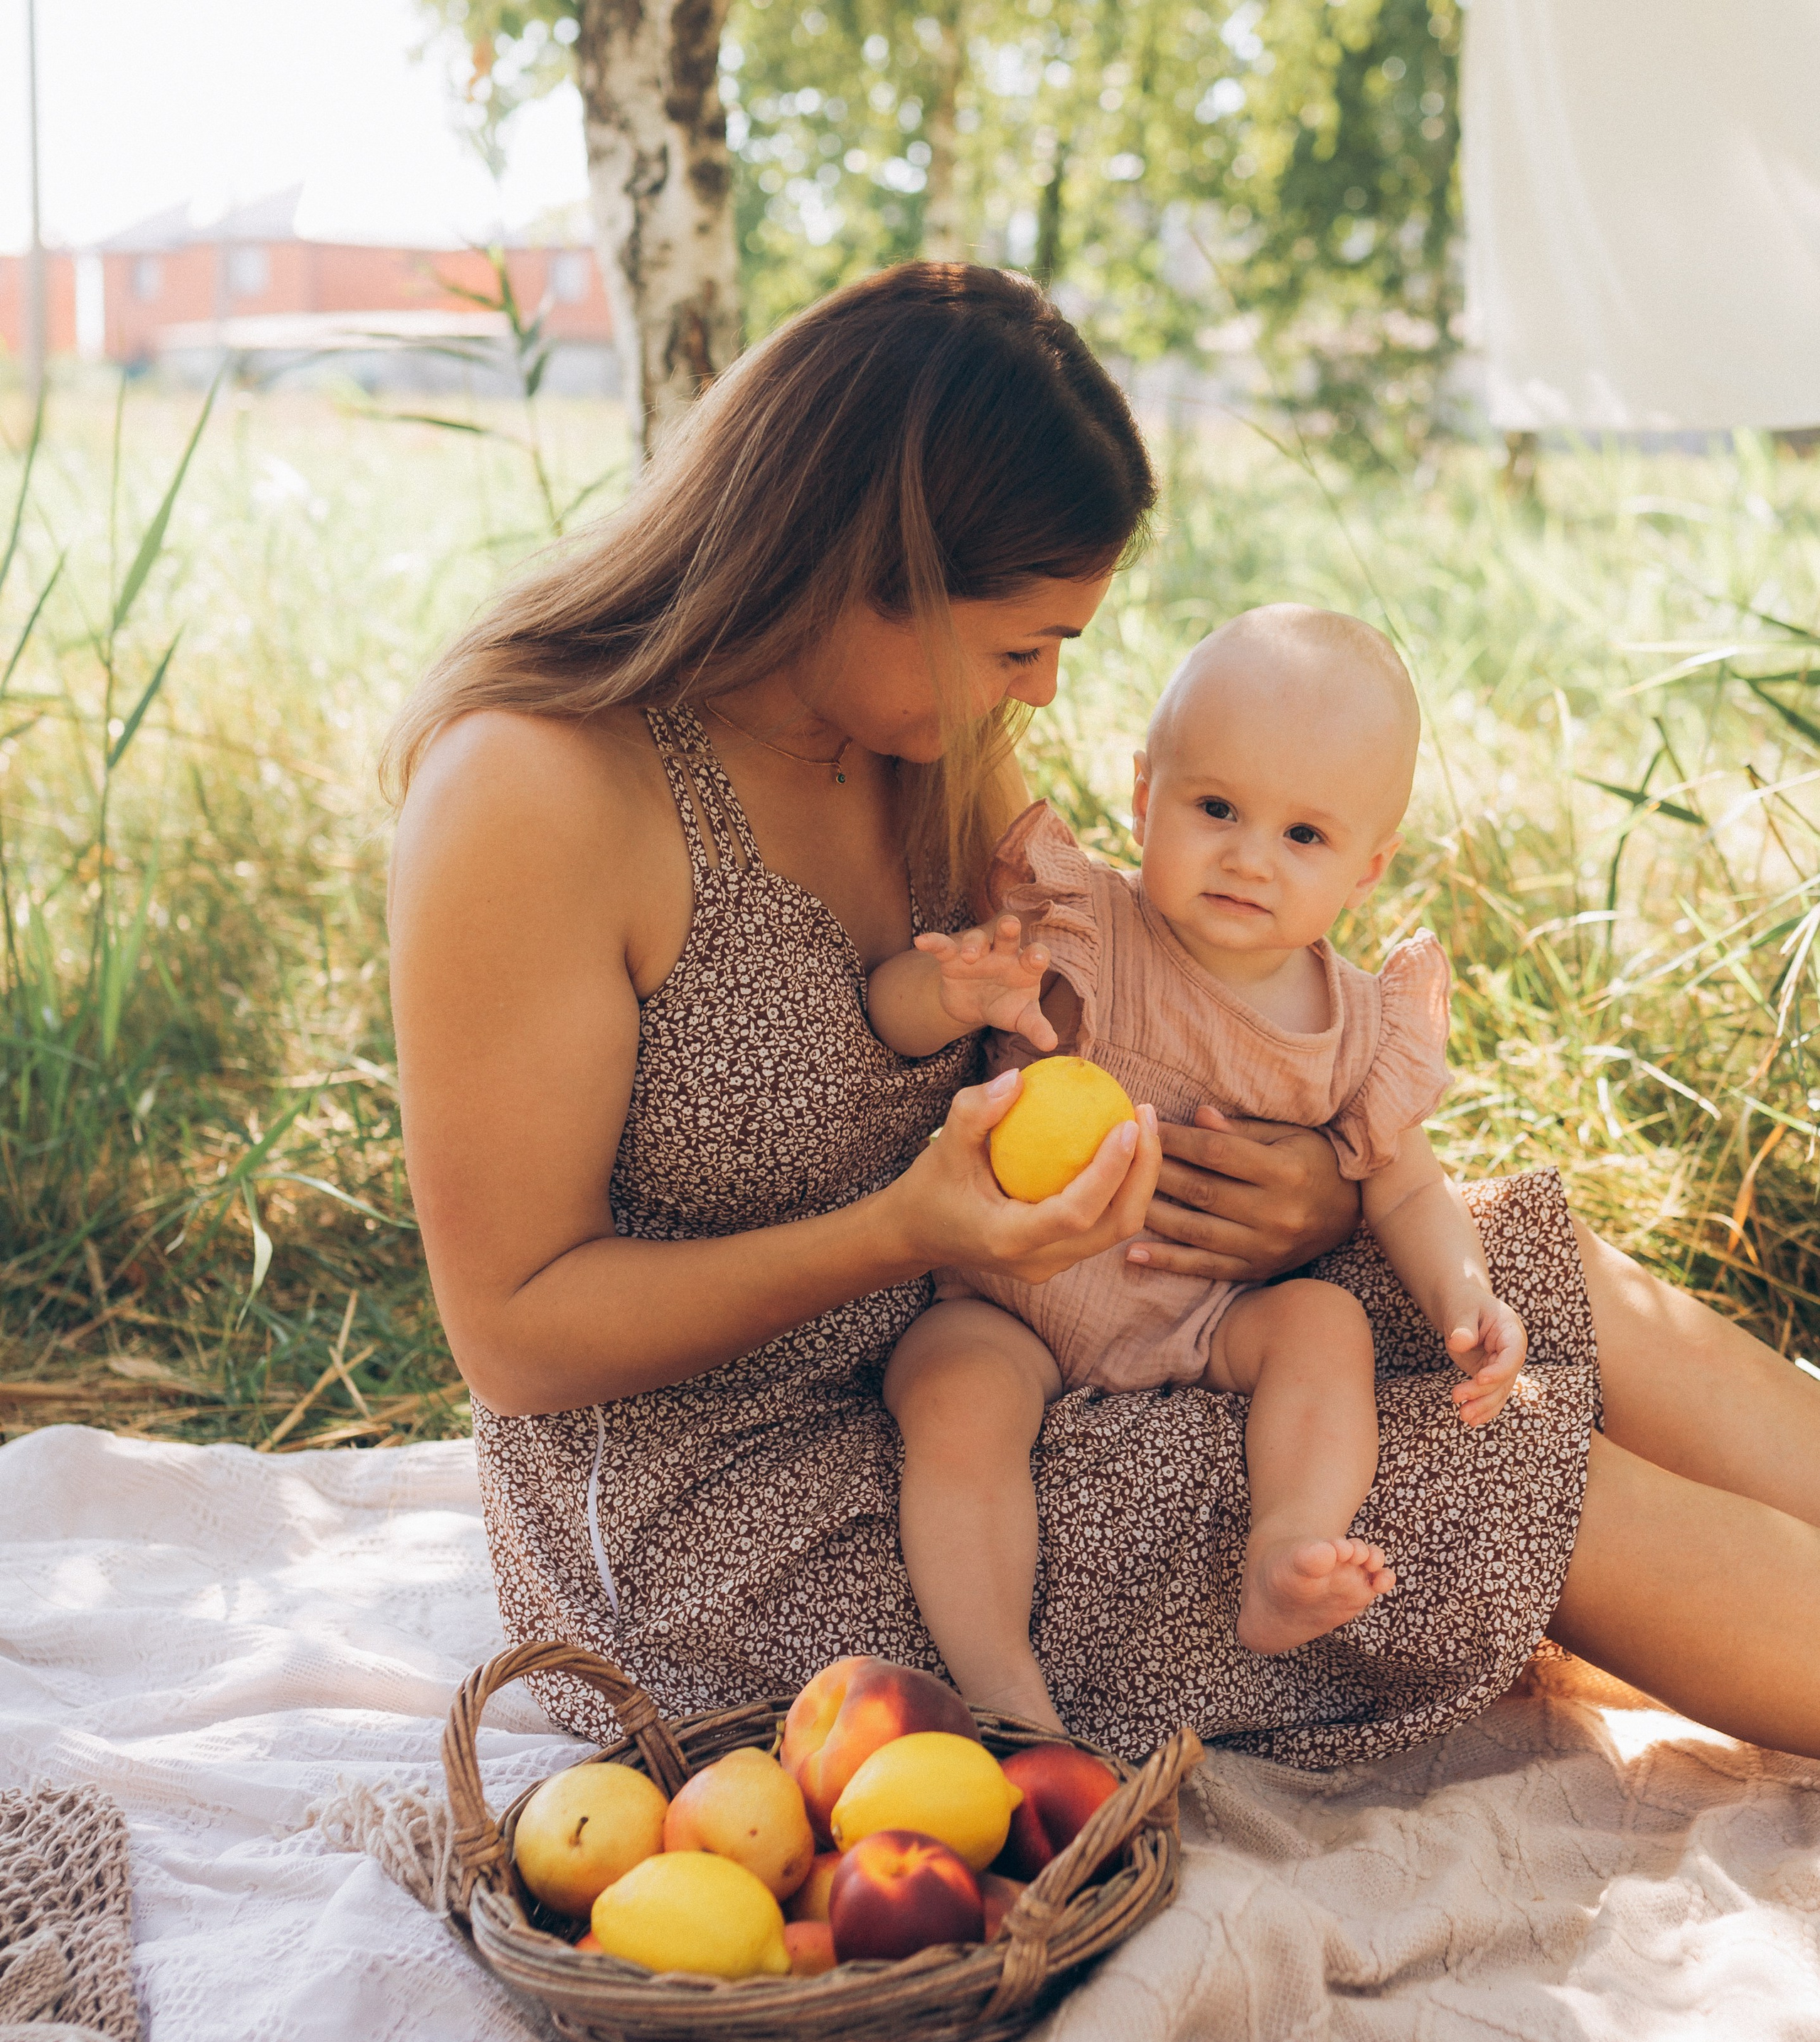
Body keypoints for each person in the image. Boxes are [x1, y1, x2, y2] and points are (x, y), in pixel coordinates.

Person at [385, 260, 1820, 1773]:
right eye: (1022, 646)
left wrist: (1316, 1190)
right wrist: (900, 1236)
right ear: (863, 566)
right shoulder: (534, 791)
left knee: (1531, 1270)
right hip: (751, 1497)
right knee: (1500, 1472)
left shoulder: (922, 738)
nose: (1046, 698)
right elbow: (515, 1337)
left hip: (1028, 1317)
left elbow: (1136, 1007)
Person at [870, 605, 1524, 1700]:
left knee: (1326, 1325)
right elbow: (890, 1026)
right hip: (1003, 1298)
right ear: (1144, 797)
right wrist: (948, 992)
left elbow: (1410, 1188)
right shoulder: (1087, 926)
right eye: (1215, 808)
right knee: (951, 1401)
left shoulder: (1358, 1028)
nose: (1247, 858)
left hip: (1203, 1322)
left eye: (1303, 837)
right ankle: (1001, 1684)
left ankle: (1288, 1546)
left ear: (1368, 869)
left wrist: (1468, 1296)